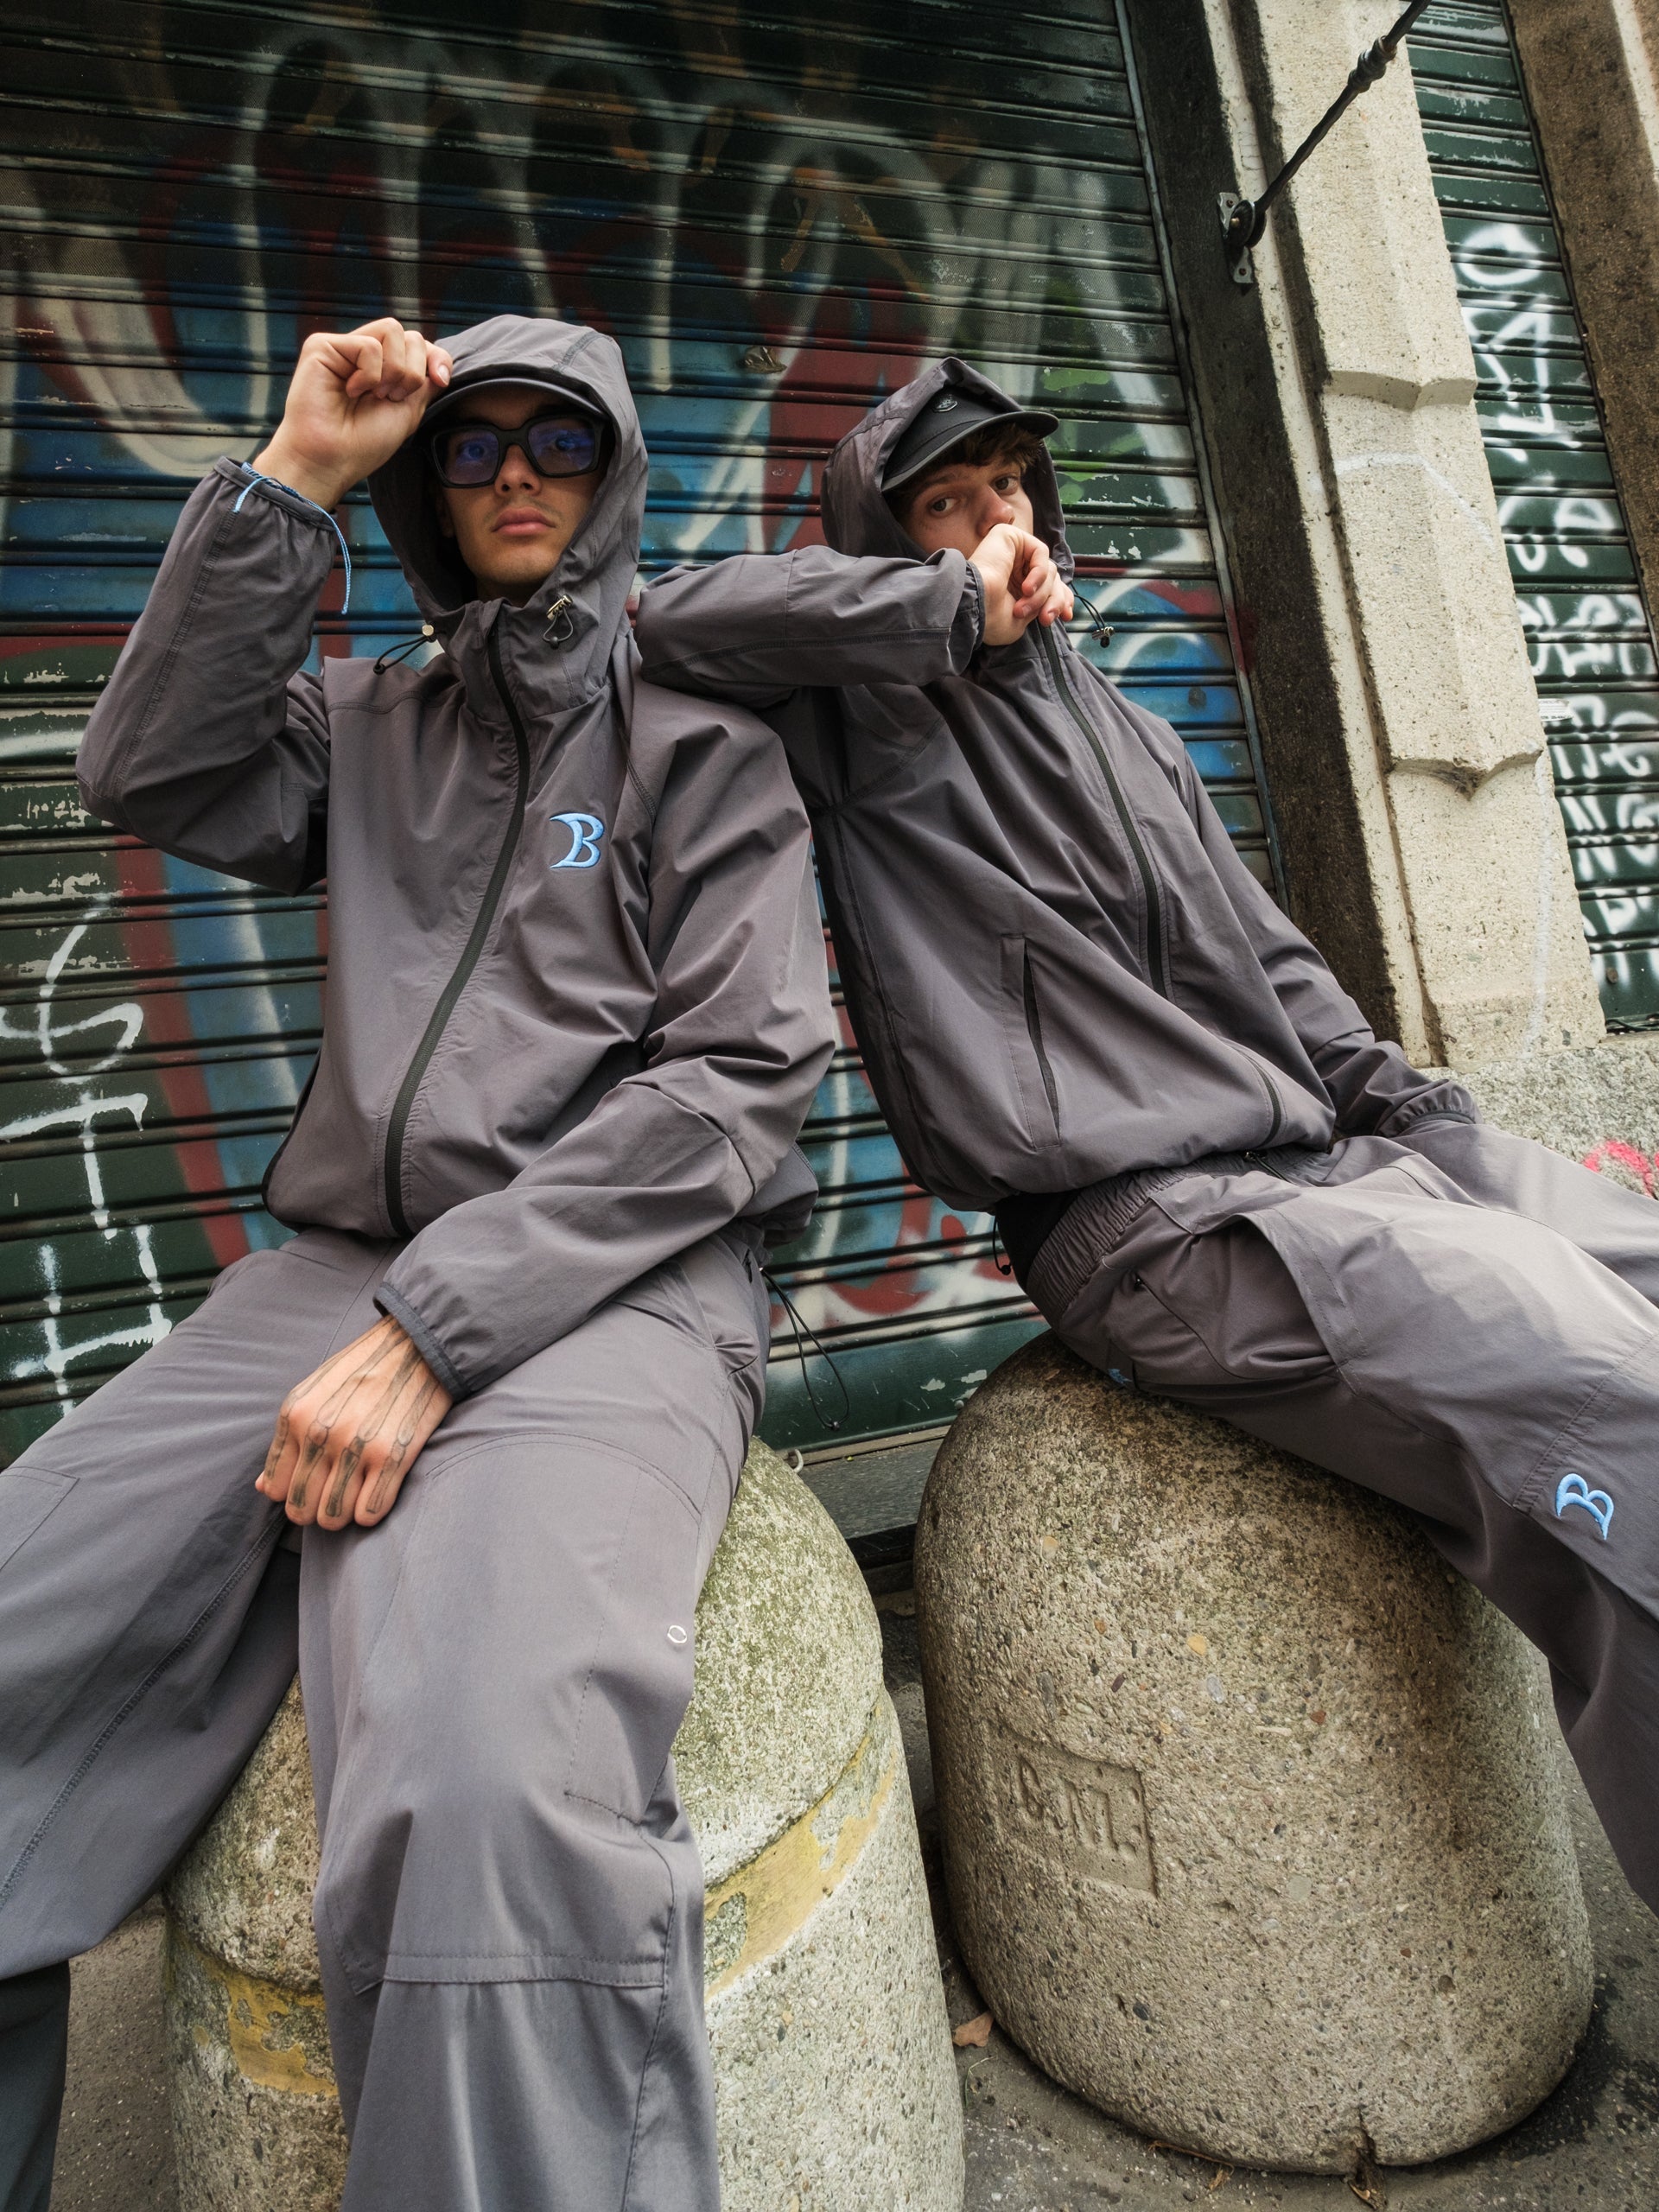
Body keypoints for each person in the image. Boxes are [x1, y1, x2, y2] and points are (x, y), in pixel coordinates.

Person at [634, 357, 1659, 1918]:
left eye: (1007, 487)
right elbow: (671, 621)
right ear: (885, 543)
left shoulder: (1128, 726)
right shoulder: (861, 717)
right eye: (944, 504)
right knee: (1586, 1376)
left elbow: (1276, 963)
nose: (997, 521)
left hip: (1330, 1168)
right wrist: (933, 610)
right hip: (1150, 1228)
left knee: (1628, 1300)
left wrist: (1434, 1122)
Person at [0, 314, 834, 2212]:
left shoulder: (704, 744)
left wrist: (438, 1328)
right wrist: (296, 477)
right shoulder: (367, 725)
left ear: (614, 474)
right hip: (336, 1269)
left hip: (627, 1282)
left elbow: (740, 1088)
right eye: (473, 448)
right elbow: (147, 766)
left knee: (479, 1794)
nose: (516, 473)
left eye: (559, 441)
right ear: (435, 494)